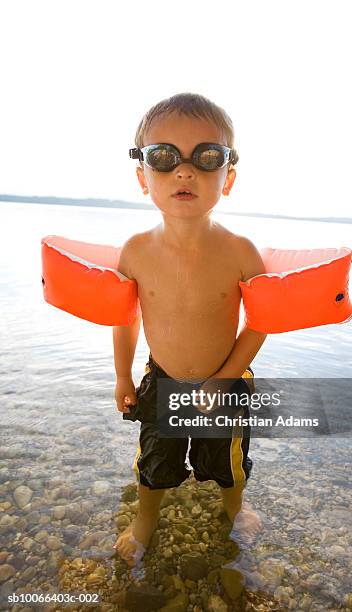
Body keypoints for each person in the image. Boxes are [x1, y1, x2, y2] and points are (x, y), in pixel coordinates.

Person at [113, 92, 267, 566]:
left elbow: (262, 322)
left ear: (228, 178)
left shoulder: (241, 252)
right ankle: (145, 521)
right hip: (163, 381)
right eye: (164, 157)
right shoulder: (136, 252)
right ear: (144, 177)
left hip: (227, 380)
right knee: (154, 465)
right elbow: (126, 317)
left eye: (206, 157)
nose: (185, 171)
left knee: (229, 466)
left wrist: (225, 380)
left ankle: (234, 508)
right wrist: (122, 375)